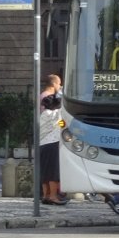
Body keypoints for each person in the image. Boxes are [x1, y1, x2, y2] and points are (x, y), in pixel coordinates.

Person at [39, 74, 67, 205]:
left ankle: (45, 195)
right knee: (53, 172)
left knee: (45, 172)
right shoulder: (55, 114)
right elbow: (62, 123)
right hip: (52, 144)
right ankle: (53, 196)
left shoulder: (43, 115)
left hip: (42, 144)